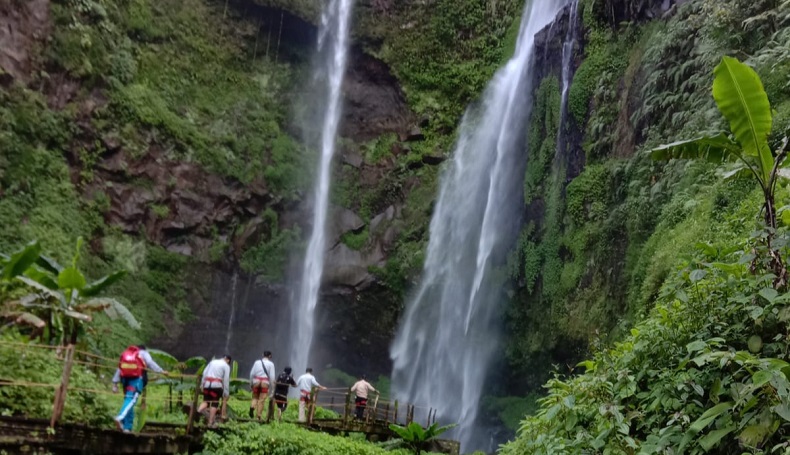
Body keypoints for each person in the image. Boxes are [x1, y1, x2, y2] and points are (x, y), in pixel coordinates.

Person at [112, 344, 166, 432]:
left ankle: (127, 427)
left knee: (129, 401)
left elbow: (119, 368)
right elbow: (150, 362)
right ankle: (120, 417)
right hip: (136, 380)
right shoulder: (144, 353)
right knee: (131, 400)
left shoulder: (128, 354)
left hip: (125, 379)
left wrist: (115, 383)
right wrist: (161, 371)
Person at [197, 355, 231, 428]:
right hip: (216, 386)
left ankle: (197, 412)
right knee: (215, 403)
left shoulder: (212, 362)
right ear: (228, 360)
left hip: (207, 384)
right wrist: (226, 392)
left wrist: (202, 384)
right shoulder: (226, 366)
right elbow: (226, 380)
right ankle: (210, 422)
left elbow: (204, 373)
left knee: (206, 401)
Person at [248, 350, 275, 420]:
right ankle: (258, 416)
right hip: (265, 383)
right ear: (270, 356)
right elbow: (272, 377)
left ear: (262, 355)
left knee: (255, 397)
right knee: (262, 400)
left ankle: (252, 407)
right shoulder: (271, 364)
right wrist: (272, 388)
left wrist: (251, 383)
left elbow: (252, 374)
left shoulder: (257, 362)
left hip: (256, 381)